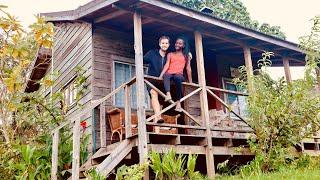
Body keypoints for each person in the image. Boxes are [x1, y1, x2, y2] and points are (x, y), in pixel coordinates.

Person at [159, 37, 192, 112]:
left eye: (180, 43)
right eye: (176, 43)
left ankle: (178, 103)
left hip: (179, 75)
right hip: (170, 73)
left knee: (177, 78)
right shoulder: (170, 54)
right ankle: (168, 94)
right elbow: (167, 65)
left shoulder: (186, 56)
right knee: (166, 75)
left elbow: (188, 68)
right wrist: (161, 75)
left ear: (183, 46)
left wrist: (190, 82)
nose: (177, 44)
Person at [144, 36, 170, 123]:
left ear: (169, 45)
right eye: (163, 43)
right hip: (152, 80)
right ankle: (158, 117)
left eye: (166, 43)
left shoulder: (169, 56)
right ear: (159, 44)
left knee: (161, 103)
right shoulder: (152, 53)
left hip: (163, 82)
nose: (164, 45)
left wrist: (188, 56)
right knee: (153, 93)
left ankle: (158, 124)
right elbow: (141, 59)